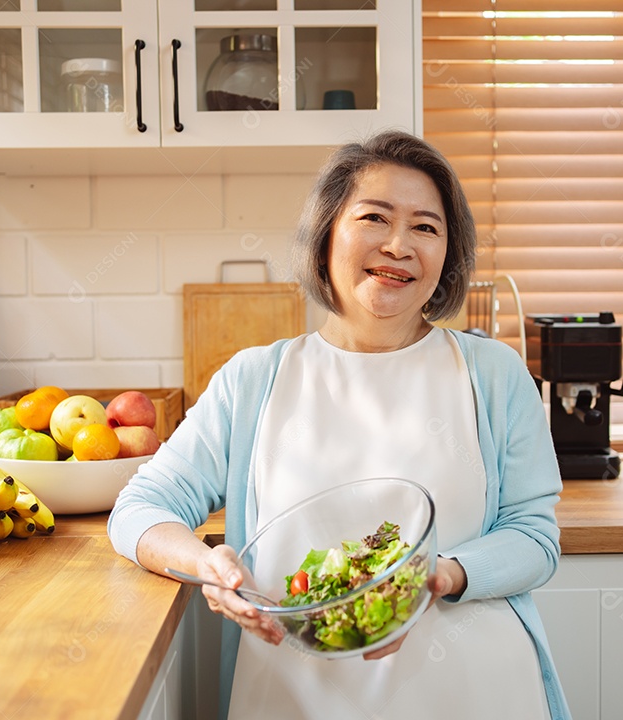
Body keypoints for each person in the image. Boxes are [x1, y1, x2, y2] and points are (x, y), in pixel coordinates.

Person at [108, 130, 570, 720]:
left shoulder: (495, 373)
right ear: (325, 234)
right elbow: (140, 508)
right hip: (292, 695)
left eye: (426, 227)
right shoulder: (254, 379)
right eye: (375, 217)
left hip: (473, 690)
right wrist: (208, 566)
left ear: (447, 254)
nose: (399, 245)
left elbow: (534, 536)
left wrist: (442, 575)